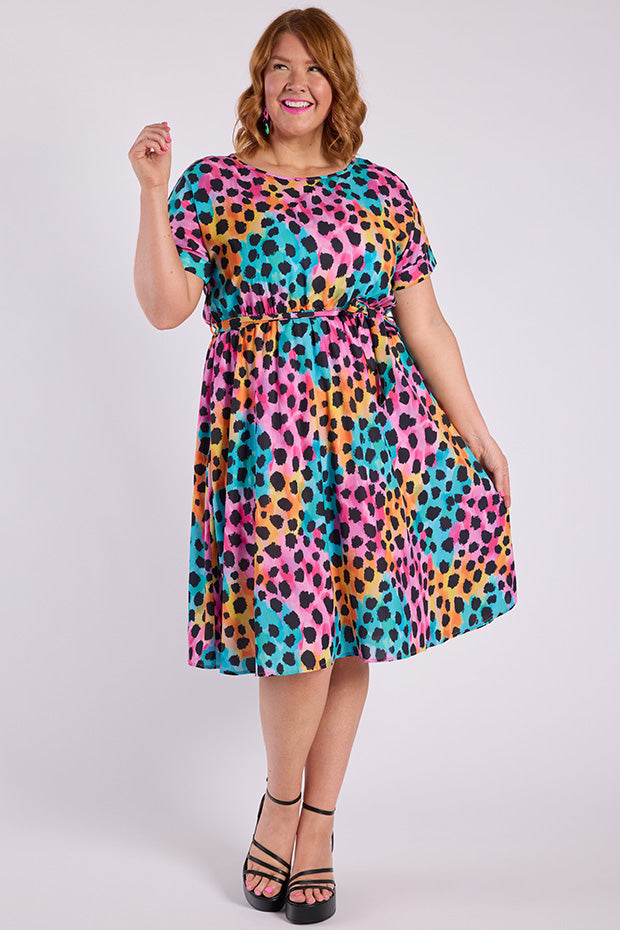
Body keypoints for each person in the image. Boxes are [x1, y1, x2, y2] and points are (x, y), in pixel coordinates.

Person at [128, 6, 517, 924]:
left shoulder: (382, 192)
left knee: (349, 633)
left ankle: (317, 829)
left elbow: (425, 324)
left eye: (312, 67)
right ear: (259, 86)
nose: (294, 82)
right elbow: (166, 307)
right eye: (278, 66)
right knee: (294, 633)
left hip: (373, 436)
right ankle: (282, 801)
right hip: (268, 442)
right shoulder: (213, 185)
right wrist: (151, 193)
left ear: (338, 86)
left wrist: (481, 434)